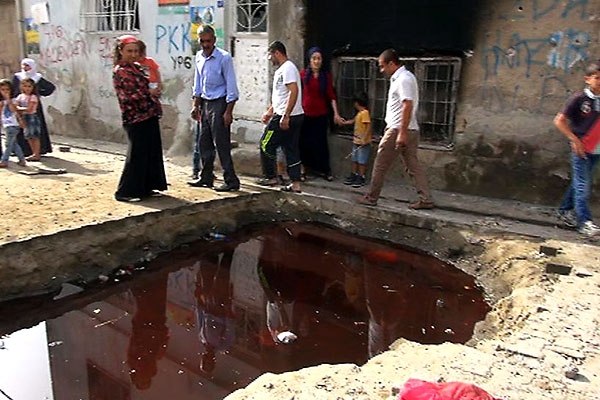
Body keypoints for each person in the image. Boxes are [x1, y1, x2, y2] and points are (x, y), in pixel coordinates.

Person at [357, 49, 434, 210]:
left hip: (399, 129)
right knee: (413, 165)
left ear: (391, 63)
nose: (381, 70)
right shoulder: (404, 78)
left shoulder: (403, 79)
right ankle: (426, 198)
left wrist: (401, 133)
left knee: (380, 163)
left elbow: (407, 105)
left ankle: (372, 197)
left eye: (382, 66)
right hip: (409, 128)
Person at [112, 34, 168, 202]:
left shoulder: (137, 67)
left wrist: (155, 91)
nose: (133, 54)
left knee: (151, 152)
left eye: (136, 51)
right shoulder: (121, 71)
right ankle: (125, 191)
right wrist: (148, 93)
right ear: (120, 51)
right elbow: (128, 95)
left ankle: (146, 187)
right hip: (135, 117)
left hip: (149, 113)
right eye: (129, 51)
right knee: (137, 154)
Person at [189, 25, 241, 192]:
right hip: (205, 103)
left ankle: (231, 179)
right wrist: (195, 105)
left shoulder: (224, 58)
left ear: (214, 40)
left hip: (220, 103)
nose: (205, 44)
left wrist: (228, 111)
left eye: (208, 41)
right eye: (202, 41)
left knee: (221, 143)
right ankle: (206, 177)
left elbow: (231, 86)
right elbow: (197, 84)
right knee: (204, 142)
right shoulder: (199, 57)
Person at [554, 61, 600, 236]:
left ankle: (564, 211)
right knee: (583, 186)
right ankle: (584, 222)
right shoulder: (579, 99)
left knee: (579, 183)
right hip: (582, 148)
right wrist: (574, 140)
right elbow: (559, 121)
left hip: (597, 150)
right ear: (587, 79)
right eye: (597, 78)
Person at [258, 41, 304, 193]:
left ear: (277, 53)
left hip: (286, 116)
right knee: (290, 149)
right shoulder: (283, 70)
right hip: (289, 115)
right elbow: (281, 96)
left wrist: (285, 116)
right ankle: (295, 183)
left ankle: (271, 176)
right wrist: (270, 111)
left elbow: (293, 91)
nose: (270, 58)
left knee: (266, 144)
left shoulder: (288, 68)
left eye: (271, 54)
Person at [299, 47, 343, 181]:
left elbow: (331, 96)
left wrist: (336, 114)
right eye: (314, 58)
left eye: (319, 58)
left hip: (321, 115)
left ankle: (324, 170)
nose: (316, 61)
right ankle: (303, 170)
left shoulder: (326, 77)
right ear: (310, 60)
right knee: (304, 143)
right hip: (305, 114)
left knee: (321, 144)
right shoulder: (302, 75)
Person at [12, 58, 55, 157]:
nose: (25, 68)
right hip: (20, 104)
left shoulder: (37, 78)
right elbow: (13, 89)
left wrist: (39, 93)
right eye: (24, 65)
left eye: (27, 66)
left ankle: (38, 150)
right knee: (21, 128)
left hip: (33, 108)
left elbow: (50, 88)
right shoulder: (18, 77)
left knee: (35, 130)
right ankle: (22, 150)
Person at [342, 92, 372, 188]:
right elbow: (353, 121)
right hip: (356, 141)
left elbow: (368, 126)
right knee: (354, 159)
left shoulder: (365, 113)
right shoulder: (359, 114)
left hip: (363, 142)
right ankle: (354, 174)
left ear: (357, 103)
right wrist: (344, 122)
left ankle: (361, 176)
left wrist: (365, 138)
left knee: (361, 160)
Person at [0, 79, 27, 168]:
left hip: (13, 124)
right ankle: (22, 160)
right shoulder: (2, 102)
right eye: (3, 90)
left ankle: (4, 161)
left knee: (8, 144)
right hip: (6, 124)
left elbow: (13, 110)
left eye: (7, 89)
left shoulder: (14, 100)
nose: (5, 92)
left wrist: (8, 100)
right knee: (14, 144)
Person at [15, 78, 42, 161]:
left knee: (35, 136)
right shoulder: (20, 96)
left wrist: (18, 108)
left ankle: (37, 154)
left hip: (31, 117)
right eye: (25, 86)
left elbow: (29, 109)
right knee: (28, 137)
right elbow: (16, 106)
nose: (27, 88)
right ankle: (33, 153)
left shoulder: (33, 97)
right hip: (24, 117)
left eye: (29, 86)